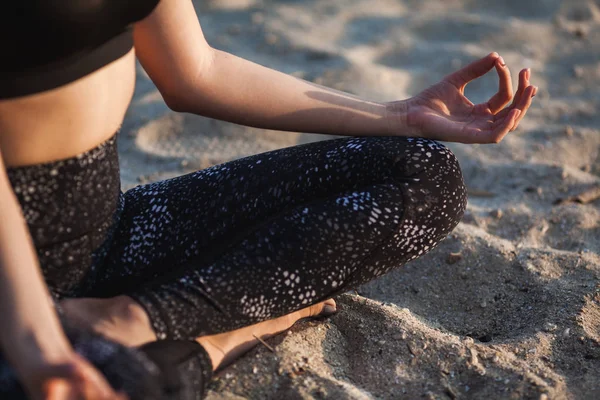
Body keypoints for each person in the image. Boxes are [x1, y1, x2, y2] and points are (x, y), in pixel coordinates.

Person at [0, 0, 536, 399]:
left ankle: (137, 317)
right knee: (106, 385)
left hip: (113, 231)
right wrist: (36, 344)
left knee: (423, 173)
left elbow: (195, 72)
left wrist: (398, 116)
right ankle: (218, 340)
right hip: (11, 277)